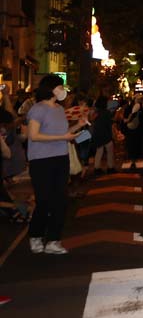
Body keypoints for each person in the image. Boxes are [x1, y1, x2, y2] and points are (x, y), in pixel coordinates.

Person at [26, 74, 88, 255]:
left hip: (60, 158)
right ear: (51, 89)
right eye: (61, 87)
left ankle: (54, 240)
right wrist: (63, 137)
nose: (63, 90)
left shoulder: (59, 109)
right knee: (44, 200)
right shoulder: (37, 109)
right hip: (41, 161)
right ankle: (36, 235)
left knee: (60, 201)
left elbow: (65, 132)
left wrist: (78, 126)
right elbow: (34, 135)